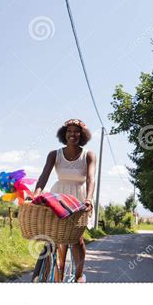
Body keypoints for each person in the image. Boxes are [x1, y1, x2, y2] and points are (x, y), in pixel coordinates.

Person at [34, 118, 96, 282]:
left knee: (77, 239)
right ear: (64, 134)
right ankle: (54, 273)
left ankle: (78, 275)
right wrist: (36, 194)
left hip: (80, 198)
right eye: (69, 131)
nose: (72, 134)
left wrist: (89, 199)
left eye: (76, 131)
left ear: (82, 135)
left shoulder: (88, 155)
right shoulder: (54, 154)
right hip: (59, 197)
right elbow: (43, 177)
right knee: (56, 236)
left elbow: (91, 179)